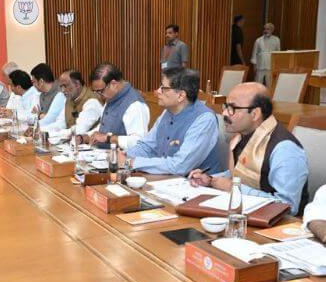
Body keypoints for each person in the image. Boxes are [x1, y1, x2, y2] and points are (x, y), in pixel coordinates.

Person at [189, 83, 308, 215]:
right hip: (244, 214)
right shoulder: (242, 136)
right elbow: (239, 173)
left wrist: (234, 188)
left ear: (255, 114)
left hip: (279, 224)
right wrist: (211, 179)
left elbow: (287, 206)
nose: (224, 113)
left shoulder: (284, 149)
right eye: (225, 107)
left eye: (232, 108)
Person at [123, 68, 226, 176]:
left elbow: (180, 166)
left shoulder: (204, 119)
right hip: (166, 179)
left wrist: (132, 163)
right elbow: (147, 147)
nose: (158, 91)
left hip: (197, 184)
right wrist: (123, 157)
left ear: (181, 96)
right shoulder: (168, 112)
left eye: (163, 88)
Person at [82, 63, 149, 149]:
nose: (98, 95)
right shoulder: (112, 97)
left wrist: (108, 138)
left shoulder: (135, 105)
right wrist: (85, 137)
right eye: (96, 92)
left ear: (113, 84)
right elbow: (105, 128)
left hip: (122, 156)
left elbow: (139, 142)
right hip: (103, 153)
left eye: (100, 91)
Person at [51, 70, 102, 137]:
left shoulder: (92, 101)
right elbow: (60, 124)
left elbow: (78, 130)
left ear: (77, 84)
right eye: (61, 87)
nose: (63, 90)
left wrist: (52, 134)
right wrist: (42, 131)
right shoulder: (69, 100)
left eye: (65, 86)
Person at [30, 63, 66, 131]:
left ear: (41, 82)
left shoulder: (60, 93)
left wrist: (33, 128)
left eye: (34, 82)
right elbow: (33, 114)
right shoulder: (41, 94)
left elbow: (49, 120)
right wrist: (40, 115)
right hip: (44, 130)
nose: (33, 85)